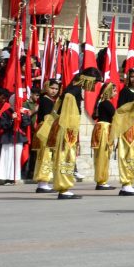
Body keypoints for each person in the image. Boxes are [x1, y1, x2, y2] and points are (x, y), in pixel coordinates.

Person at [50, 67, 100, 199]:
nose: (94, 86)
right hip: (68, 130)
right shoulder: (73, 91)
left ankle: (64, 187)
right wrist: (71, 134)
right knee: (66, 157)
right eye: (94, 82)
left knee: (66, 157)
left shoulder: (73, 88)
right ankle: (63, 187)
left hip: (68, 128)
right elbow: (68, 114)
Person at [32, 79, 61, 192]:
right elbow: (48, 118)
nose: (54, 91)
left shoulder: (49, 100)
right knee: (45, 156)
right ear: (46, 87)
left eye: (56, 89)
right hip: (45, 129)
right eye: (52, 88)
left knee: (46, 155)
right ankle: (42, 183)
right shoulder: (45, 100)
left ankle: (43, 182)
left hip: (46, 128)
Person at [91, 83, 117, 190]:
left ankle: (101, 180)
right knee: (103, 155)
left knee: (102, 155)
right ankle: (101, 181)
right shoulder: (106, 103)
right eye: (114, 90)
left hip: (100, 128)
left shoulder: (101, 102)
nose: (115, 93)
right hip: (104, 130)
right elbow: (115, 116)